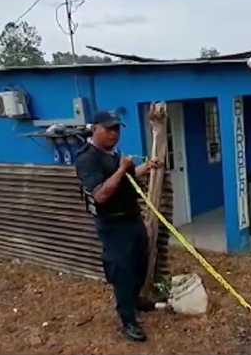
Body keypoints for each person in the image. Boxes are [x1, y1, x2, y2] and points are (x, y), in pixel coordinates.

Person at [75, 110, 161, 342]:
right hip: (113, 224)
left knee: (140, 262)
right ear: (95, 129)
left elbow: (129, 178)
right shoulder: (87, 158)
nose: (114, 134)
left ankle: (135, 299)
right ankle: (127, 320)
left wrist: (147, 166)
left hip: (131, 218)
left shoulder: (112, 154)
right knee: (121, 271)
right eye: (109, 129)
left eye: (117, 129)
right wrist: (122, 168)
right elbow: (101, 194)